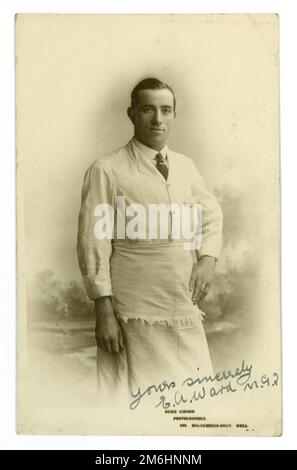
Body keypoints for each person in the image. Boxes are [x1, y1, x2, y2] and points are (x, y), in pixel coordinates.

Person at [77, 78, 223, 405]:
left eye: (165, 110)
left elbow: (211, 214)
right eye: (148, 109)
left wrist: (207, 259)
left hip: (181, 302)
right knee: (133, 401)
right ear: (131, 114)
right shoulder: (107, 169)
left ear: (174, 115)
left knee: (194, 399)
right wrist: (104, 313)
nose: (158, 119)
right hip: (132, 308)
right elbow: (93, 241)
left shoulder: (185, 166)